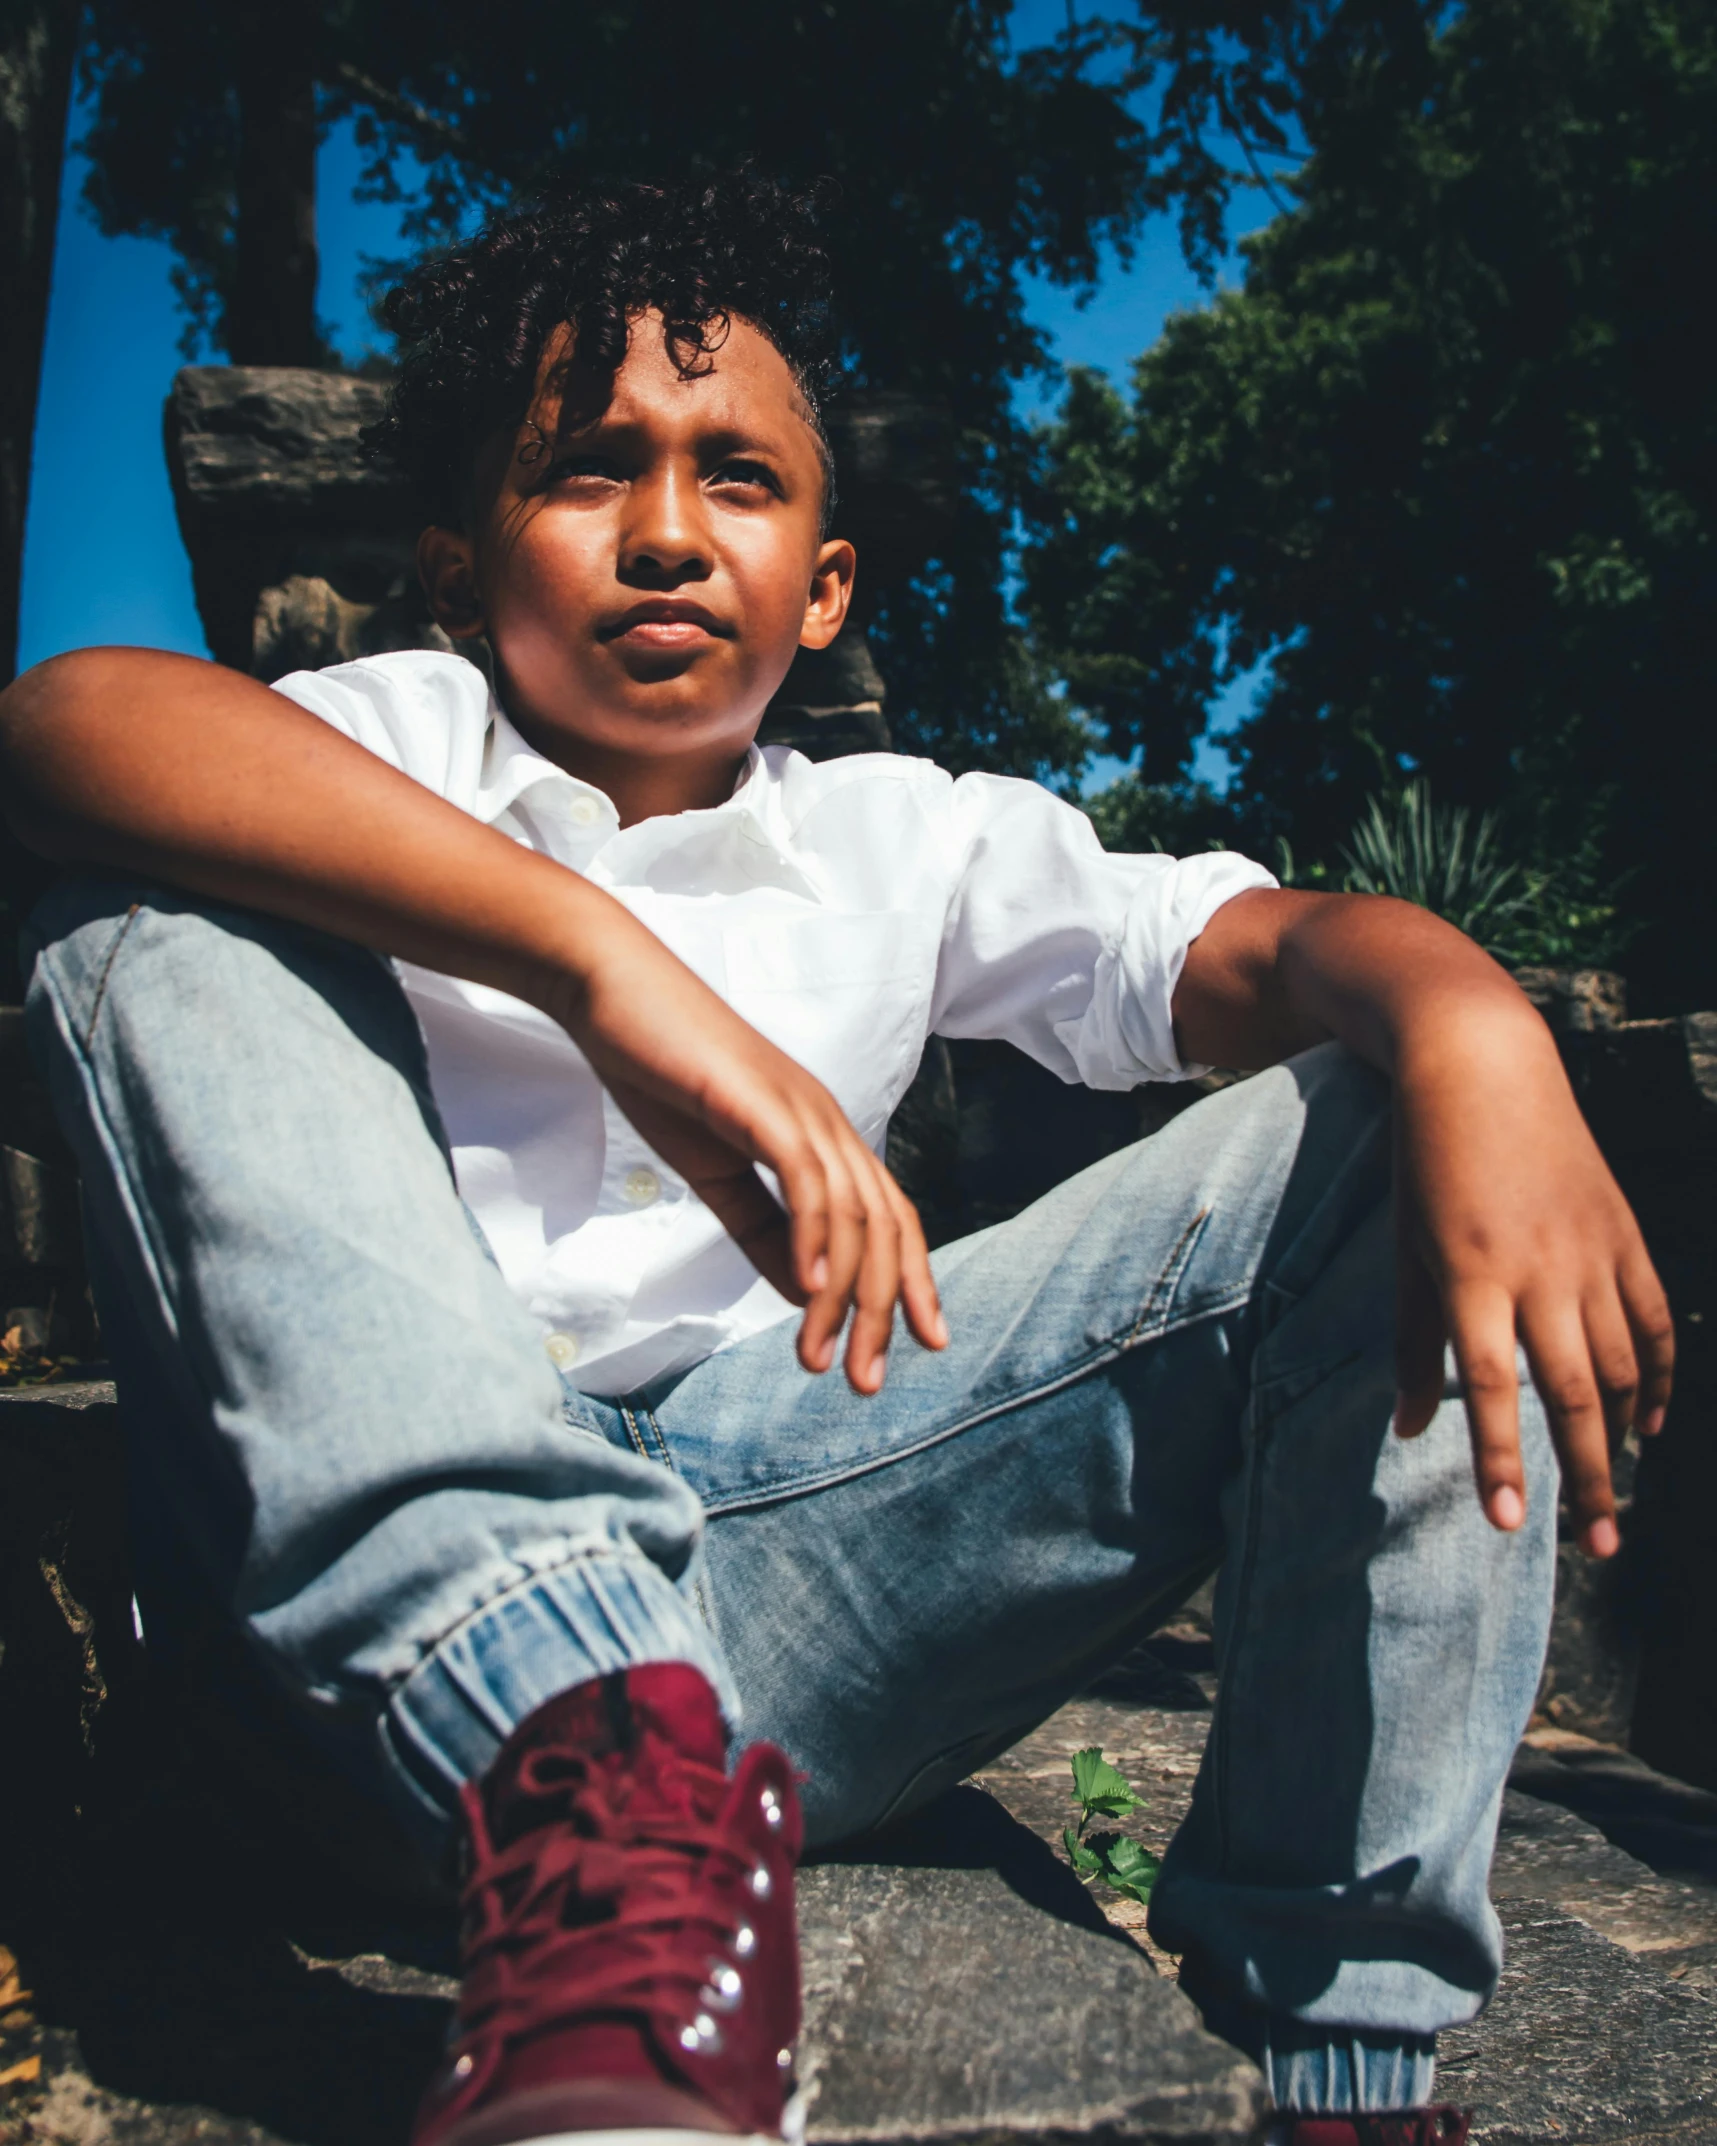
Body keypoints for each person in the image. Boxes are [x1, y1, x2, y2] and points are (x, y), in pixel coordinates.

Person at [0, 173, 1671, 2146]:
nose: (665, 531)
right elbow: (63, 720)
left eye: (739, 480)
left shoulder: (909, 836)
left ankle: (1346, 2070)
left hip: (793, 1569)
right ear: (459, 574)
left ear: (828, 585)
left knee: (1395, 1122)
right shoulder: (396, 734)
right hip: (376, 1645)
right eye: (590, 469)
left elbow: (1251, 952)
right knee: (150, 911)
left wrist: (1474, 1020)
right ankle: (591, 1807)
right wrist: (600, 960)